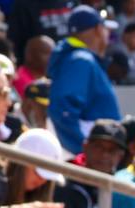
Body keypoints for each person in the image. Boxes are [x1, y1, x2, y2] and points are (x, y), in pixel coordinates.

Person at [46, 6, 118, 155]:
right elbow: (62, 111)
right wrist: (83, 152)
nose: (108, 34)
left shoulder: (80, 59)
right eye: (106, 29)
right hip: (84, 157)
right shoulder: (80, 60)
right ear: (98, 29)